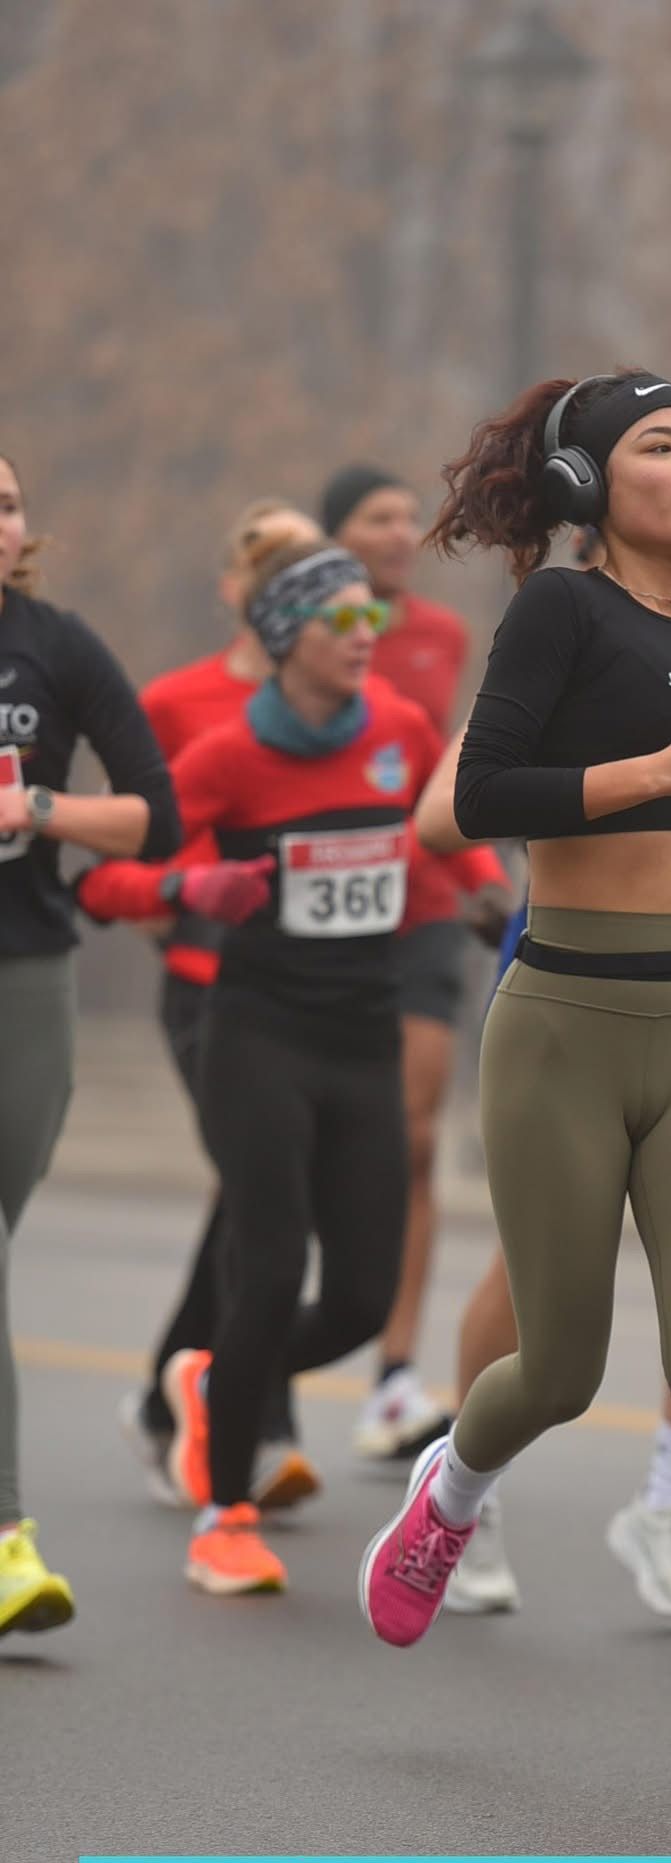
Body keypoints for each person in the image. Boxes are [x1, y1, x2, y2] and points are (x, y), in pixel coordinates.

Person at [359, 369, 671, 1769]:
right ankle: (446, 1497)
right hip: (560, 1021)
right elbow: (478, 797)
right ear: (588, 484)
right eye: (660, 446)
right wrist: (650, 773)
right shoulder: (558, 612)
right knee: (558, 1365)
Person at [151, 536, 493, 1596]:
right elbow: (139, 853)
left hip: (362, 1036)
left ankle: (216, 1386)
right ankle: (222, 1510)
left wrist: (490, 891)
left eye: (372, 620)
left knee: (353, 1297)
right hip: (255, 1033)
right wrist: (190, 889)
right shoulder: (225, 754)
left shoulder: (395, 729)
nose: (367, 637)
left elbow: (441, 829)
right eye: (343, 621)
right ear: (285, 635)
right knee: (269, 1265)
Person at [83, 499, 327, 1512]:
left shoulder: (334, 705)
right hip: (206, 993)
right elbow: (131, 842)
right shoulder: (179, 701)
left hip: (310, 995)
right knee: (264, 1196)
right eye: (268, 566)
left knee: (260, 1200)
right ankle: (245, 1415)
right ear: (236, 590)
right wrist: (173, 902)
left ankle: (179, 1396)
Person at [0, 453, 180, 1636]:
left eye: (10, 500)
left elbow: (155, 816)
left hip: (28, 972)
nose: (6, 518)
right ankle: (9, 1538)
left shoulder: (57, 647)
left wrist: (40, 809)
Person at [319, 464, 509, 1464]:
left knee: (415, 1137)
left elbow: (446, 774)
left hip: (427, 908)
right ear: (329, 538)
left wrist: (485, 876)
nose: (398, 534)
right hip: (324, 913)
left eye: (406, 518)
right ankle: (249, 1343)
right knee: (300, 1148)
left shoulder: (439, 635)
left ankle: (392, 1371)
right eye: (374, 518)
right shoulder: (303, 632)